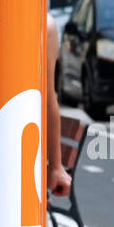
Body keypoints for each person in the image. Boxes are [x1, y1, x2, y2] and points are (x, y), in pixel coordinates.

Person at [47, 13, 72, 197]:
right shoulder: (44, 24)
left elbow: (49, 100)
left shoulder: (43, 25)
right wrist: (56, 166)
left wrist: (56, 166)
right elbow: (49, 99)